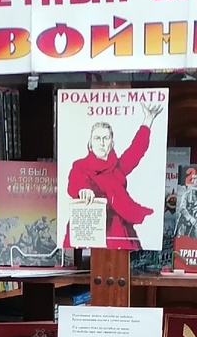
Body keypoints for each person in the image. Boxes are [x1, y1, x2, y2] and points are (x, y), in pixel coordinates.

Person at [64, 101, 163, 249]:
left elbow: (136, 150)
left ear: (112, 142)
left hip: (118, 230)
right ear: (90, 143)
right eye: (97, 138)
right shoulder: (80, 166)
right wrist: (83, 190)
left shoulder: (118, 167)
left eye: (106, 138)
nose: (101, 142)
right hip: (89, 228)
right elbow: (76, 181)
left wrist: (147, 121)